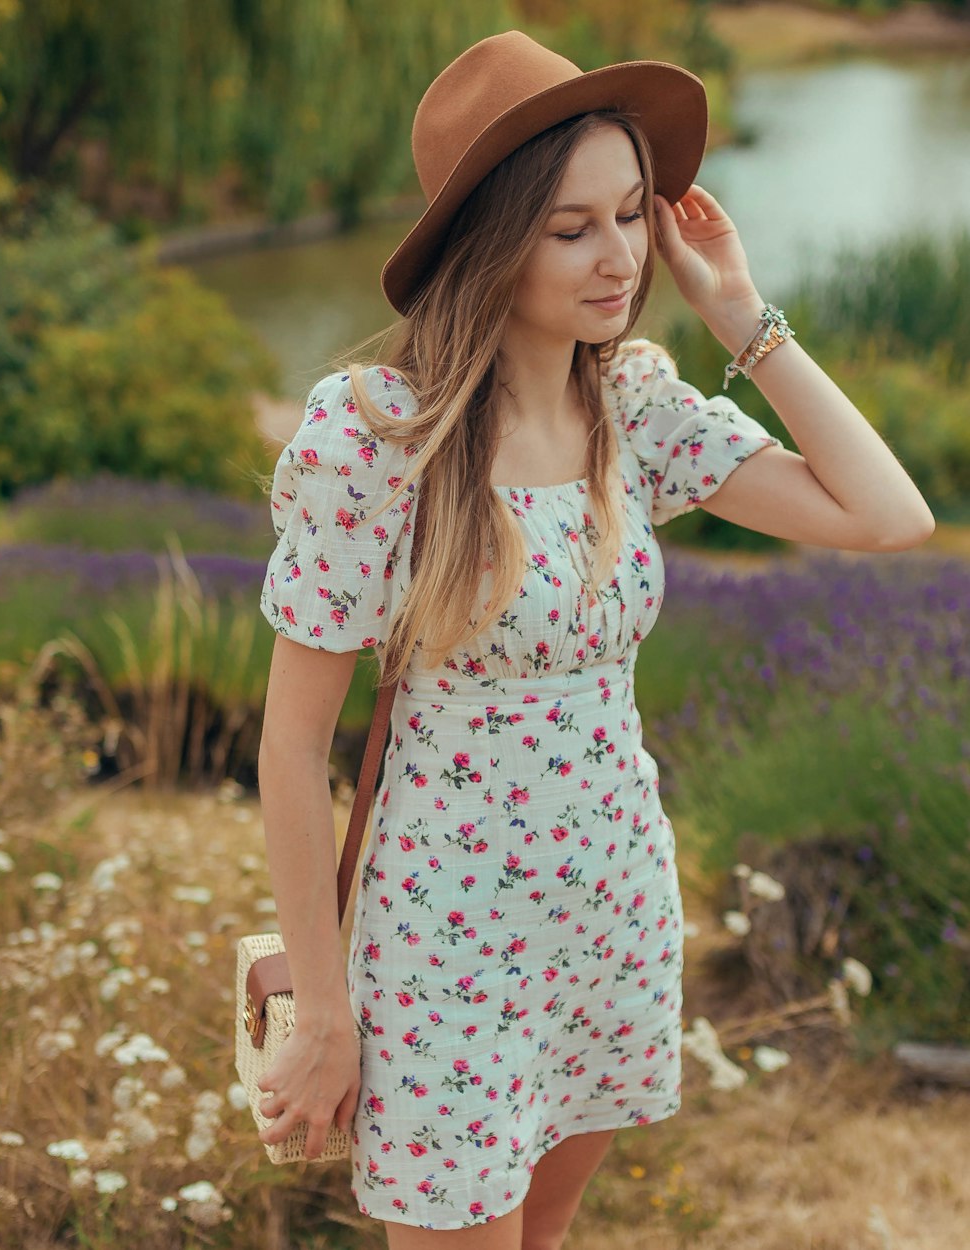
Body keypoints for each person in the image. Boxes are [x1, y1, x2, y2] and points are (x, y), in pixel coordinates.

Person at [253, 29, 934, 1250]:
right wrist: (322, 1007)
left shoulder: (631, 405)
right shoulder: (370, 441)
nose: (620, 256)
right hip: (446, 940)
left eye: (631, 213)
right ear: (491, 240)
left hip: (609, 906)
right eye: (572, 228)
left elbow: (888, 517)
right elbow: (293, 744)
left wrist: (741, 313)